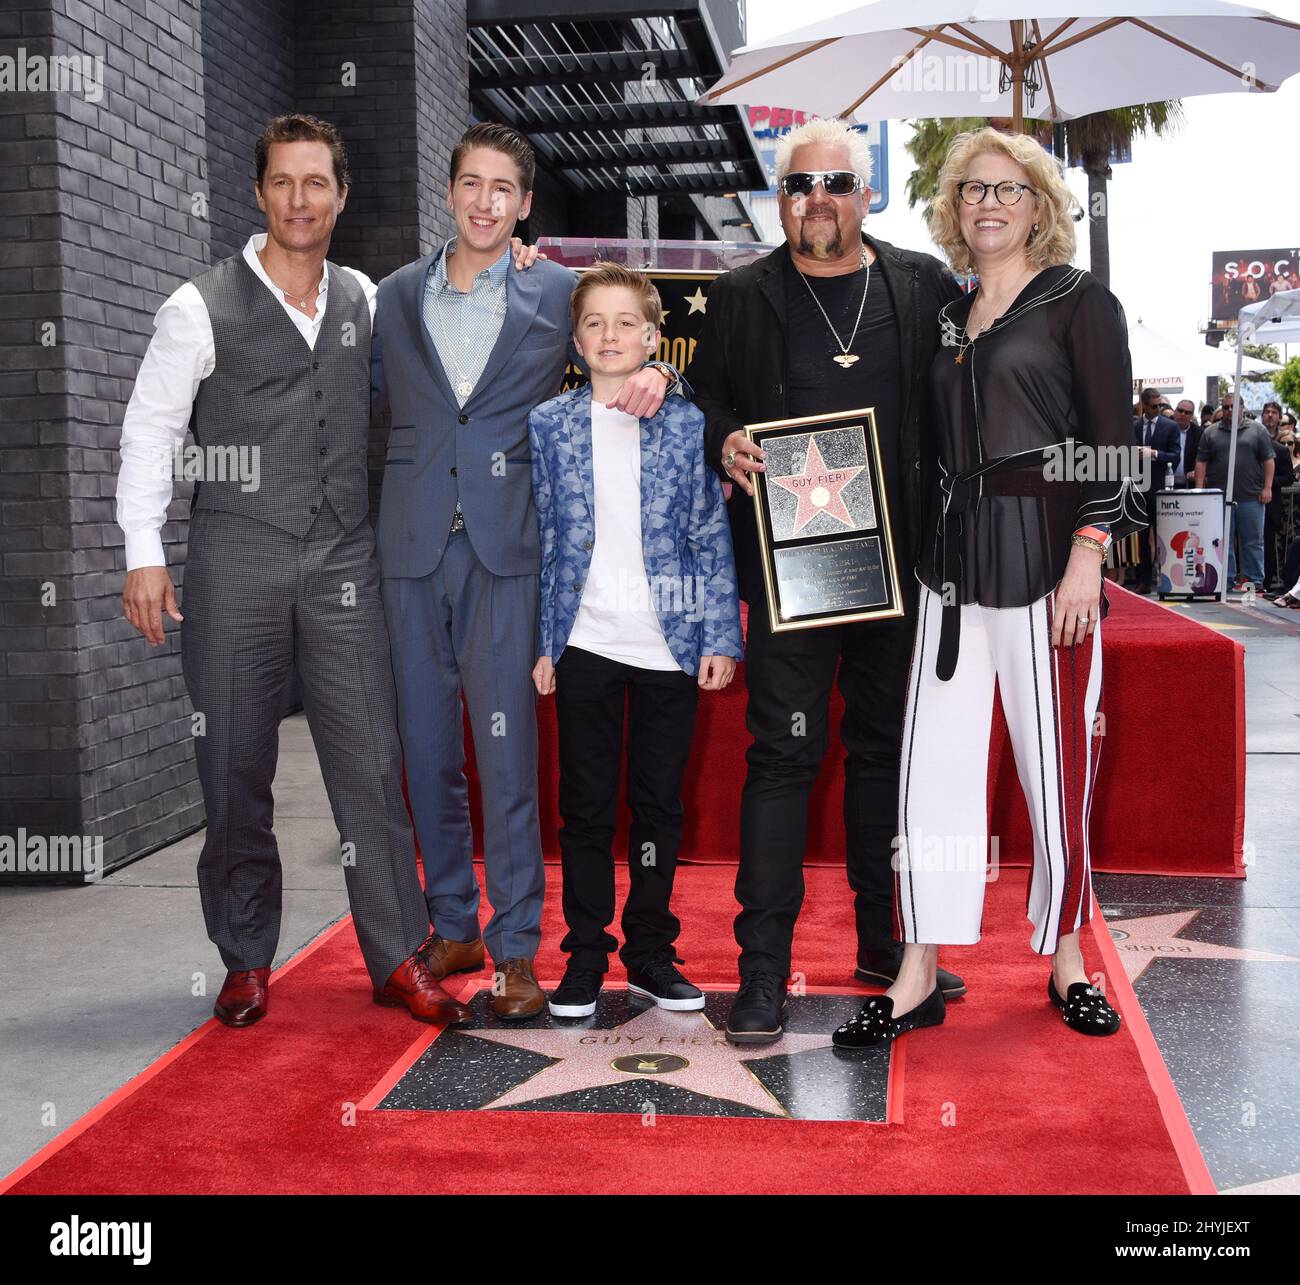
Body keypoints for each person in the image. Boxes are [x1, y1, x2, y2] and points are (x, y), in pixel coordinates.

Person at [116, 114, 475, 1029]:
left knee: (373, 762)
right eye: (283, 182)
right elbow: (150, 431)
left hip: (345, 558)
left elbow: (449, 378)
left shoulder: (363, 294)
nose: (300, 200)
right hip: (235, 555)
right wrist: (144, 553)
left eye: (317, 183)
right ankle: (244, 957)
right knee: (234, 762)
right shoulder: (198, 305)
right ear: (259, 191)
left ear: (341, 195)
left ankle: (397, 954)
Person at [831, 126, 1145, 1049]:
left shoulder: (1083, 303)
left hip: (1052, 567)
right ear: (953, 207)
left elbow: (1114, 438)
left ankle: (1069, 961)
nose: (991, 203)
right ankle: (918, 969)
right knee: (932, 780)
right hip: (948, 572)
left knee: (1057, 777)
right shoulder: (945, 313)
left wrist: (1090, 548)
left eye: (1009, 189)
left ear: (1040, 204)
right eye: (974, 189)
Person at [371, 123, 682, 1022]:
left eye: (502, 188)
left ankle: (514, 951)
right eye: (471, 183)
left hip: (510, 551)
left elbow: (622, 344)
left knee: (508, 759)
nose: (484, 201)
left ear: (525, 202)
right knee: (426, 755)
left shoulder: (557, 291)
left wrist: (665, 375)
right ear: (452, 189)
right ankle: (453, 924)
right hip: (409, 551)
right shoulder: (391, 297)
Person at [687, 116, 968, 1047]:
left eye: (836, 184)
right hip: (793, 568)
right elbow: (709, 401)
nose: (818, 201)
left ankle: (886, 942)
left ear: (866, 195)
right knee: (783, 759)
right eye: (801, 185)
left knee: (886, 755)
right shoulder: (739, 296)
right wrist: (720, 438)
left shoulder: (921, 283)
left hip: (903, 564)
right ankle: (762, 971)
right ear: (782, 198)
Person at [529, 264, 744, 1018]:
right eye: (594, 322)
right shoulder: (547, 424)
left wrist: (720, 631)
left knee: (658, 807)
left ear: (654, 337)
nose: (610, 335)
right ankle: (586, 954)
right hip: (585, 641)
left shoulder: (682, 422)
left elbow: (708, 532)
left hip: (669, 645)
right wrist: (544, 641)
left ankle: (650, 951)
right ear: (575, 339)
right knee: (585, 808)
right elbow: (545, 538)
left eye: (627, 323)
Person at [1195, 397, 1275, 592]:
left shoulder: (1258, 430)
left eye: (1234, 406)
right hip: (1219, 498)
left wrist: (1268, 487)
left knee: (1253, 541)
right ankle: (1226, 581)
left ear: (1242, 408)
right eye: (1226, 407)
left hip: (1251, 497)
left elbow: (1268, 460)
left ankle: (1255, 581)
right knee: (1223, 542)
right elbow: (1201, 462)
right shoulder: (1211, 432)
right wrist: (1198, 491)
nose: (1230, 410)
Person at [1132, 387, 1182, 591]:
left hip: (1161, 489)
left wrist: (1153, 454)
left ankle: (1165, 578)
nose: (1158, 409)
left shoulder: (1170, 427)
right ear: (1143, 405)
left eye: (1160, 405)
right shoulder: (1134, 427)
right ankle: (1144, 580)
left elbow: (1175, 457)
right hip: (1139, 489)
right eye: (1154, 406)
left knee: (1164, 536)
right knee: (1142, 538)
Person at [1260, 401, 1296, 590]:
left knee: (1269, 543)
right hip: (1249, 497)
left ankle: (1268, 580)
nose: (1270, 415)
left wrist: (1267, 483)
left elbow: (1289, 477)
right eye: (1267, 412)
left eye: (1274, 412)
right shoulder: (1255, 440)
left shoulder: (1281, 448)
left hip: (1271, 502)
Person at [1171, 398, 1201, 486]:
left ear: (1192, 416)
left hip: (1189, 484)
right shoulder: (1164, 429)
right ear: (1175, 411)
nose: (1183, 414)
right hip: (1167, 482)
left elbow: (1201, 456)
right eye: (1180, 411)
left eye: (1187, 412)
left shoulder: (1198, 433)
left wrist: (1195, 471)